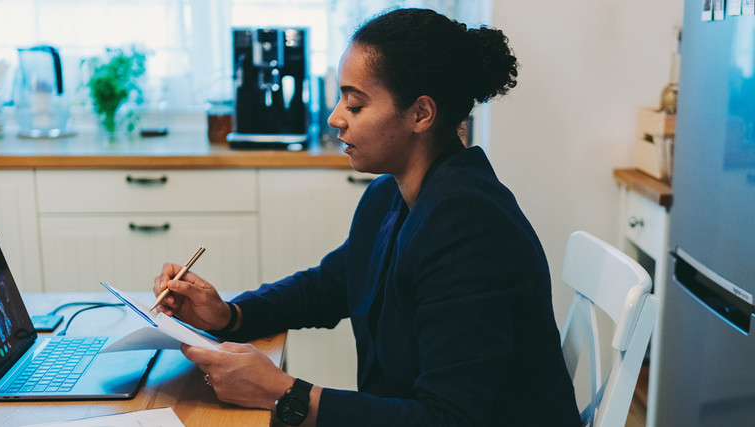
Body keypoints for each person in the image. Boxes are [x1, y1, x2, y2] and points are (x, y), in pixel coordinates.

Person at [153, 8, 580, 427]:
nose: (335, 118)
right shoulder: (391, 194)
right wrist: (228, 315)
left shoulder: (469, 229)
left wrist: (283, 392)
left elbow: (449, 418)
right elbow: (328, 287)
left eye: (355, 105)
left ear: (420, 114)